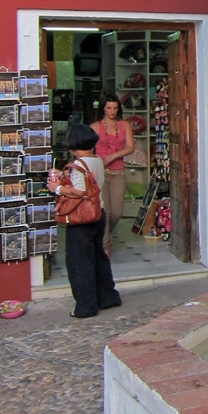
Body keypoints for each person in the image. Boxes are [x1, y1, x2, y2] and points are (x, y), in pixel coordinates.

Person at [48, 123, 122, 319]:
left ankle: (86, 305)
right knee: (99, 257)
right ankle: (107, 297)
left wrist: (57, 188)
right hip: (99, 213)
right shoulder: (96, 160)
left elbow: (80, 192)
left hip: (83, 219)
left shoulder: (80, 164)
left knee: (80, 262)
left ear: (73, 144)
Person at [90, 94, 134, 257]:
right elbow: (87, 149)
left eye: (115, 108)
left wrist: (114, 155)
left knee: (117, 212)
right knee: (105, 212)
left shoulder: (124, 125)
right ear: (103, 108)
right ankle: (105, 245)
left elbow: (130, 147)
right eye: (109, 107)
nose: (112, 111)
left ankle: (103, 234)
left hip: (118, 172)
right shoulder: (94, 127)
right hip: (100, 172)